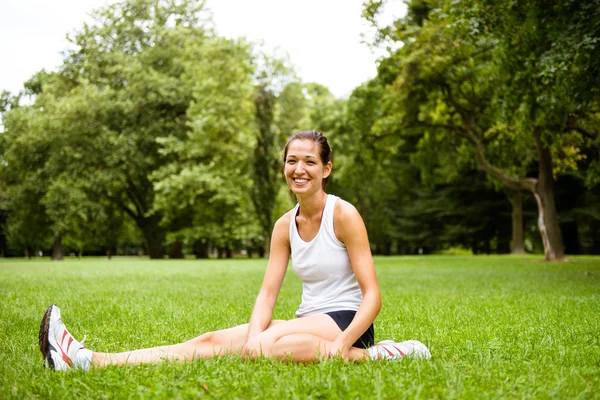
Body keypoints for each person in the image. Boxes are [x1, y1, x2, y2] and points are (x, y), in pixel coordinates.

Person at [39, 130, 431, 371]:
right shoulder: (283, 225)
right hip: (308, 319)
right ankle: (90, 360)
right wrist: (253, 337)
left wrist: (345, 348)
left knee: (265, 348)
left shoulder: (343, 214)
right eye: (291, 160)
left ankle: (380, 354)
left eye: (310, 161)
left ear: (326, 168)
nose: (299, 169)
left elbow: (373, 296)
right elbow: (267, 292)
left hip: (346, 320)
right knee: (212, 341)